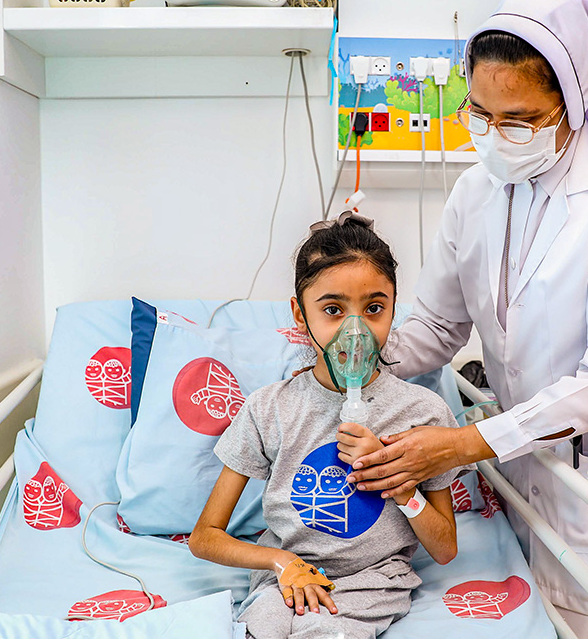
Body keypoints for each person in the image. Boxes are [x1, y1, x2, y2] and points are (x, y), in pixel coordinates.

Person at [346, 0, 588, 637]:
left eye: (520, 119)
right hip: (530, 473)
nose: (495, 136)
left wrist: (460, 444)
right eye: (479, 114)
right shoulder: (475, 190)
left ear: (571, 104)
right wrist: (355, 343)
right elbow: (437, 325)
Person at [189, 212, 461, 639]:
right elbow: (204, 536)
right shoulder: (269, 410)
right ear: (300, 315)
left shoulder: (422, 413)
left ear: (393, 309)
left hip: (373, 582)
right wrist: (280, 562)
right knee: (259, 630)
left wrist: (400, 483)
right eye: (333, 309)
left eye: (374, 308)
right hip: (286, 578)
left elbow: (444, 548)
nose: (356, 331)